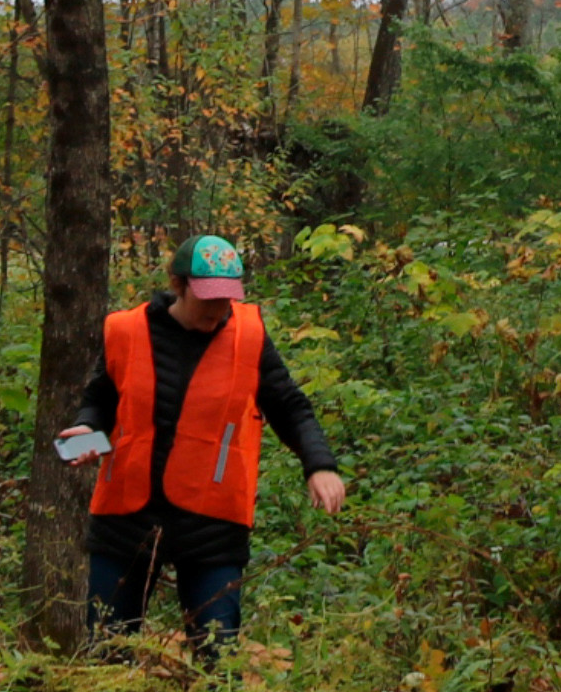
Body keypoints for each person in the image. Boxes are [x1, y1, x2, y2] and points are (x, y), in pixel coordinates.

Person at [58, 235, 347, 649]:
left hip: (213, 522)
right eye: (209, 297)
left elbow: (290, 406)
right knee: (106, 650)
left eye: (227, 297)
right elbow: (100, 399)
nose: (219, 307)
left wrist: (319, 465)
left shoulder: (249, 336)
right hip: (126, 518)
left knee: (218, 660)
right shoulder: (125, 331)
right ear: (179, 285)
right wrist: (88, 428)